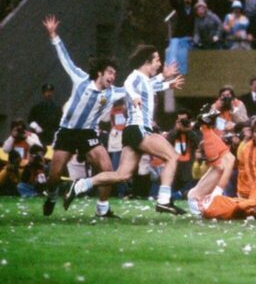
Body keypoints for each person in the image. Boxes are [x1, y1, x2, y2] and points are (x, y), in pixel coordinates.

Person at [65, 43, 186, 215]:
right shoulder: (135, 77)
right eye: (157, 60)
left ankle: (80, 185)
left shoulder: (144, 80)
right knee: (172, 156)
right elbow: (129, 84)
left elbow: (150, 86)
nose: (160, 64)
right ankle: (164, 200)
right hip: (139, 129)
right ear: (147, 61)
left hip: (132, 131)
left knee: (122, 175)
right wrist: (135, 96)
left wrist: (167, 83)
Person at [40, 15, 126, 218]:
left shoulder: (112, 92)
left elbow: (132, 89)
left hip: (88, 132)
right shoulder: (80, 79)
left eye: (114, 74)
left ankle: (102, 209)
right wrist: (54, 36)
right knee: (54, 176)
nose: (113, 77)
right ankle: (52, 195)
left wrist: (162, 81)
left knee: (107, 168)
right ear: (99, 72)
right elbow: (65, 59)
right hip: (67, 131)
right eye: (110, 72)